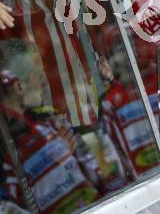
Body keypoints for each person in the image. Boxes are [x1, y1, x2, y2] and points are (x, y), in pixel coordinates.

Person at [0, 38, 101, 213]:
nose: (44, 82)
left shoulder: (47, 119)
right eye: (38, 76)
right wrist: (53, 155)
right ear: (18, 87)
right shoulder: (7, 139)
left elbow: (97, 174)